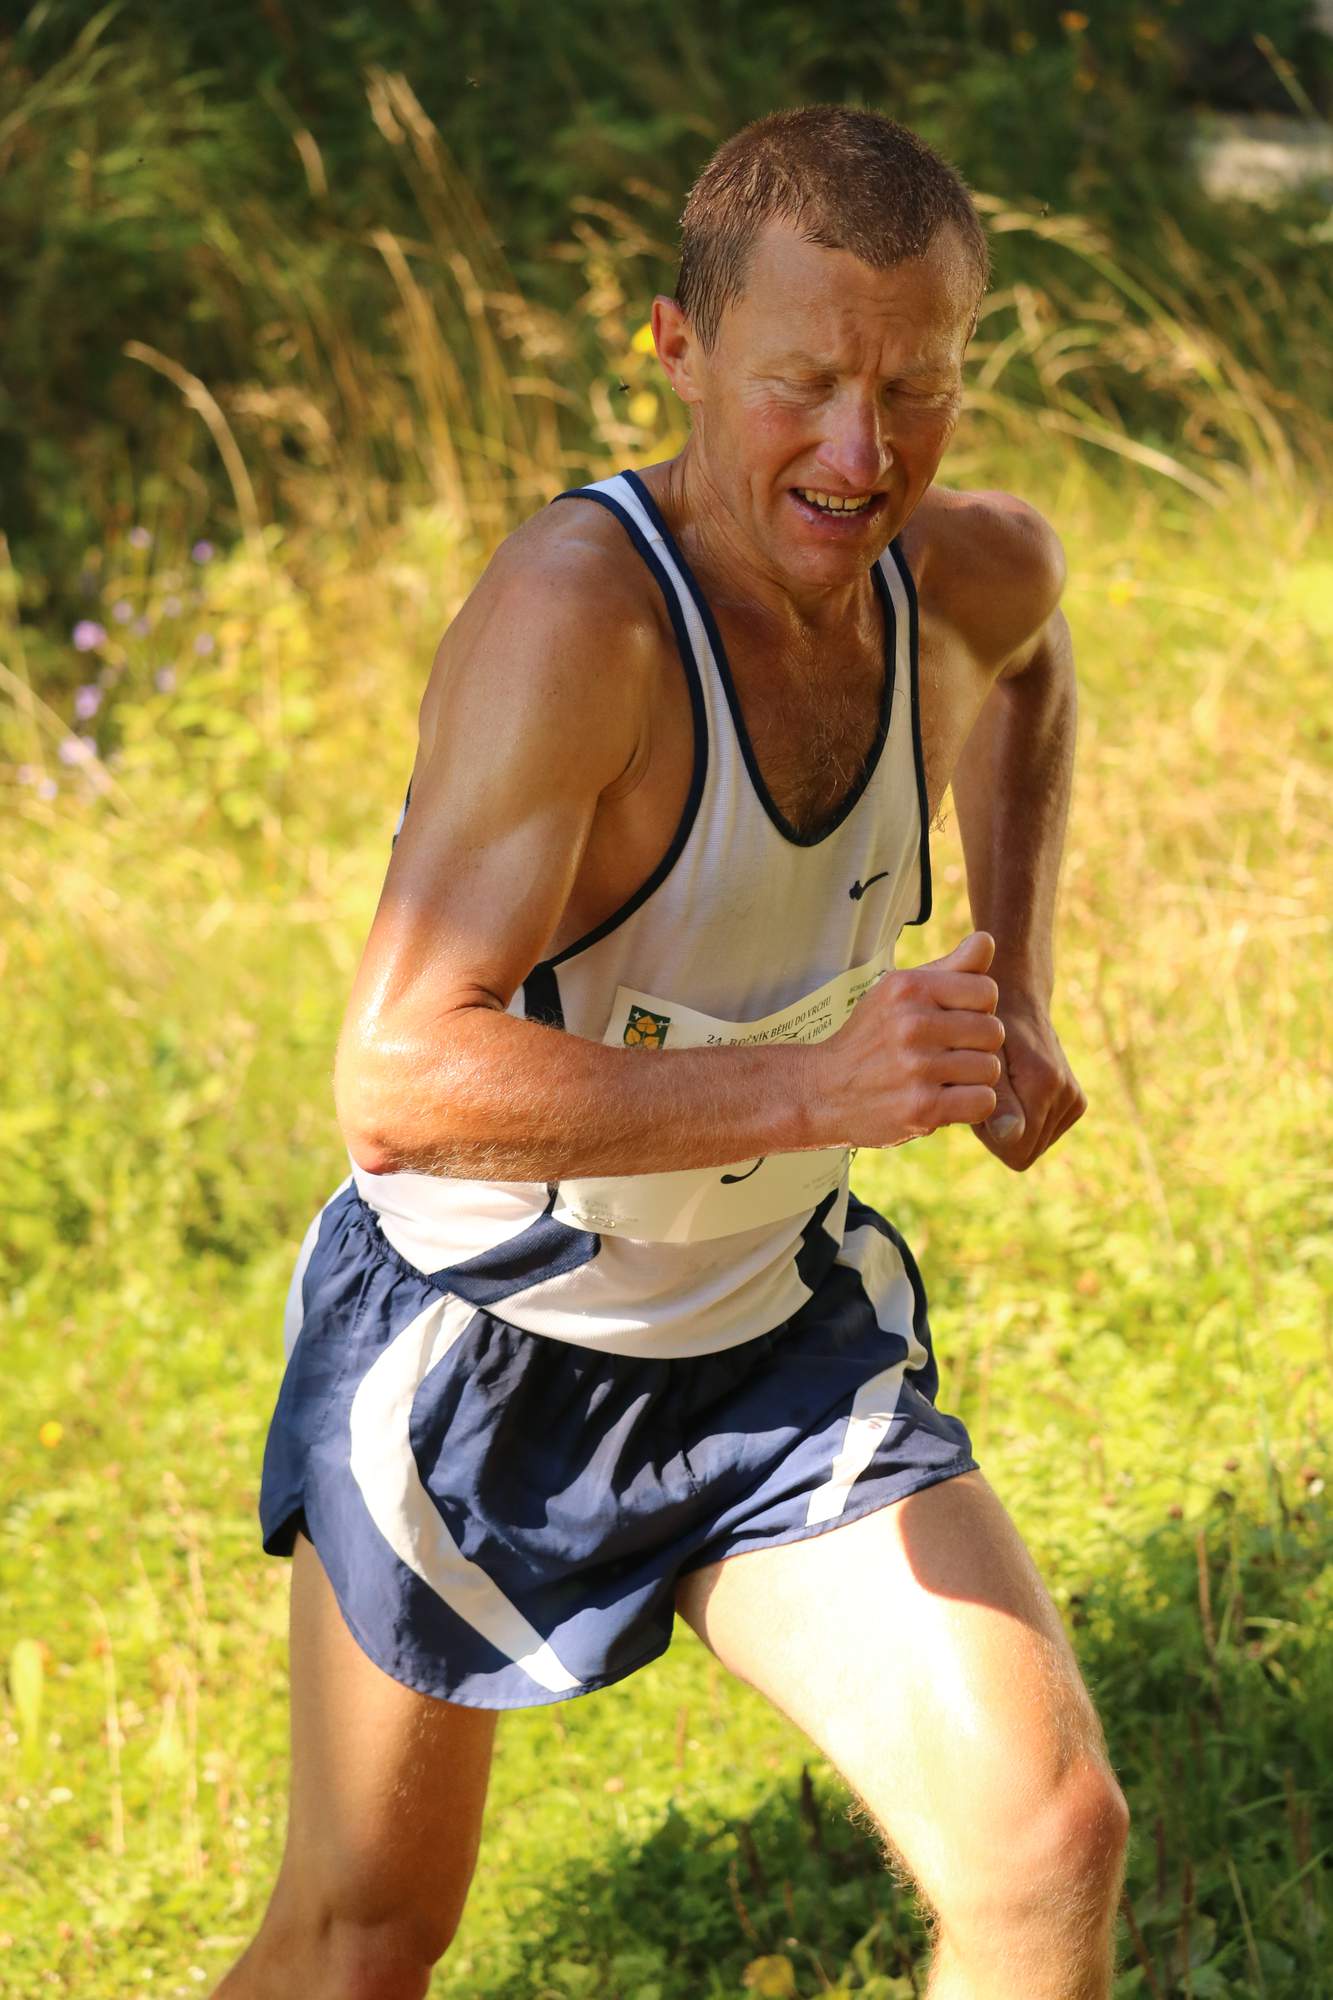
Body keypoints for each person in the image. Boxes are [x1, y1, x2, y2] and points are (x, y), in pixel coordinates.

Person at [218, 104, 1128, 2000]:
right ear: (679, 347)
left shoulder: (965, 575)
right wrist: (819, 1087)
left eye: (914, 387)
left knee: (1045, 1845)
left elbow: (1028, 668)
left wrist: (1015, 979)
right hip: (485, 1342)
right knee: (364, 1939)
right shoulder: (578, 627)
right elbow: (398, 1081)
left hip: (771, 1327)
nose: (860, 454)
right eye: (802, 386)